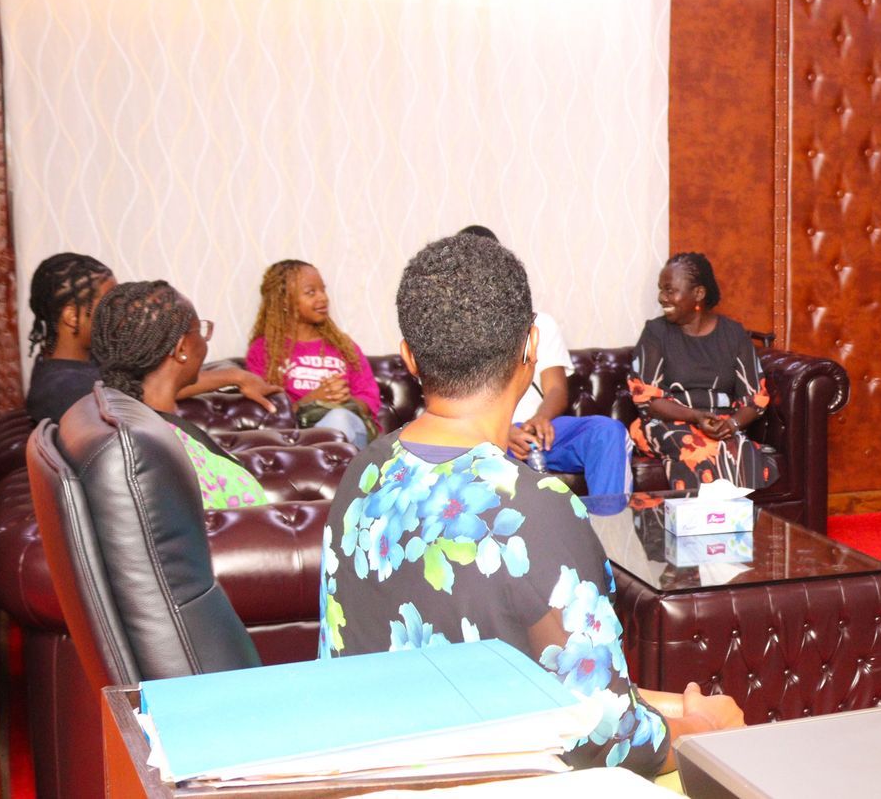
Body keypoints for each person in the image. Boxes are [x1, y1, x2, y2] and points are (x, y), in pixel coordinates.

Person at [318, 234, 741, 776]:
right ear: (530, 348)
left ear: (408, 358)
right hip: (485, 780)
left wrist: (673, 707)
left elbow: (525, 672)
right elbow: (603, 739)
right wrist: (702, 726)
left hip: (376, 770)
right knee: (726, 742)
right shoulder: (533, 508)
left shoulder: (362, 470)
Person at [460, 226, 631, 499]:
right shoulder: (451, 332)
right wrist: (499, 433)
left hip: (539, 431)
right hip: (484, 436)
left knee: (607, 432)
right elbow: (455, 409)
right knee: (477, 454)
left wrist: (540, 419)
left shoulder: (539, 323)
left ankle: (604, 527)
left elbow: (556, 390)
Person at [25, 252, 281, 425]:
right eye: (107, 303)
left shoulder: (83, 361)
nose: (119, 310)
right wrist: (231, 377)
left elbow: (152, 380)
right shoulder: (63, 388)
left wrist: (235, 376)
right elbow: (151, 388)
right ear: (72, 316)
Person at [90, 280, 270, 511]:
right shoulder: (161, 451)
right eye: (200, 331)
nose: (205, 341)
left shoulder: (147, 425)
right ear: (182, 348)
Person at [628, 253, 773, 491]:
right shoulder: (655, 333)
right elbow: (648, 399)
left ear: (698, 294)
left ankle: (739, 525)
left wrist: (733, 425)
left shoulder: (733, 334)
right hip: (664, 422)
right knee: (700, 449)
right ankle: (698, 524)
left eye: (670, 290)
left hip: (721, 424)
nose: (662, 297)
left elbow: (756, 397)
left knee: (740, 450)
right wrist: (696, 417)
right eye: (661, 290)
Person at [246, 259, 384, 448]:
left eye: (323, 290)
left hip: (352, 431)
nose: (323, 298)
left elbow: (370, 398)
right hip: (299, 440)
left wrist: (342, 401)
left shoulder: (344, 346)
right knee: (334, 424)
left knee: (339, 418)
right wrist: (313, 400)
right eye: (311, 292)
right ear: (284, 301)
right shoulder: (263, 350)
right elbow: (268, 415)